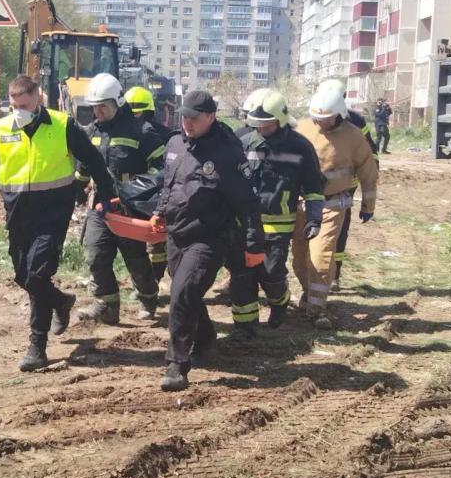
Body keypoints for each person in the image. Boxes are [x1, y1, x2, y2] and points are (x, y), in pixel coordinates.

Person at [0, 75, 116, 372]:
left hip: (53, 214)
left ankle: (36, 346)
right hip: (18, 215)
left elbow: (93, 159)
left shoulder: (62, 125)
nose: (18, 111)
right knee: (23, 276)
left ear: (37, 99)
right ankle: (61, 301)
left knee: (37, 273)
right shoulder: (2, 129)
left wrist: (107, 194)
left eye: (24, 105)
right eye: (13, 105)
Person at [150, 90, 264, 391]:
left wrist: (255, 243)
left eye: (194, 118)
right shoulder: (174, 142)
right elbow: (168, 183)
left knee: (183, 292)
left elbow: (248, 202)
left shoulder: (228, 152)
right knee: (183, 291)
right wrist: (160, 213)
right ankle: (206, 340)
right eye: (183, 117)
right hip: (177, 234)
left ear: (211, 117)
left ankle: (176, 365)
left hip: (210, 237)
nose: (187, 123)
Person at [228, 91, 324, 341]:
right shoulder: (245, 142)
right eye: (257, 123)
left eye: (266, 123)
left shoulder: (300, 147)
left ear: (281, 119)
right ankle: (245, 327)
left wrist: (314, 219)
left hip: (278, 226)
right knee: (242, 275)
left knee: (271, 273)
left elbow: (314, 188)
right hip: (246, 225)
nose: (261, 127)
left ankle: (279, 302)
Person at [76, 74, 165, 323]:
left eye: (103, 106)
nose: (98, 111)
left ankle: (148, 297)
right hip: (100, 205)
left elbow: (161, 166)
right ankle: (107, 305)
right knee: (95, 255)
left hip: (129, 207)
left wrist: (140, 191)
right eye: (95, 106)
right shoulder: (92, 130)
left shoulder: (141, 131)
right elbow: (84, 164)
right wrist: (78, 186)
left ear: (118, 102)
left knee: (135, 259)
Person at [292, 85, 379, 329]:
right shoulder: (302, 128)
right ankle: (309, 294)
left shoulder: (353, 136)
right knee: (299, 258)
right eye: (317, 117)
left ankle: (317, 308)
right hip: (300, 203)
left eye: (326, 118)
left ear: (339, 114)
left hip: (331, 204)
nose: (320, 122)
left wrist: (368, 204)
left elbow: (368, 172)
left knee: (321, 255)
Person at [328, 80, 380, 292]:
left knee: (340, 228)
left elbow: (370, 152)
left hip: (345, 184)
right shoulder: (315, 119)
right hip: (318, 185)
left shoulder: (355, 121)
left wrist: (370, 178)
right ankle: (319, 275)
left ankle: (335, 274)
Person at [124, 85, 174, 283]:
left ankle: (155, 279)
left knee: (156, 243)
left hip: (150, 196)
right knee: (155, 242)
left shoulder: (157, 134)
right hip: (150, 195)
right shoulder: (166, 133)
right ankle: (154, 280)